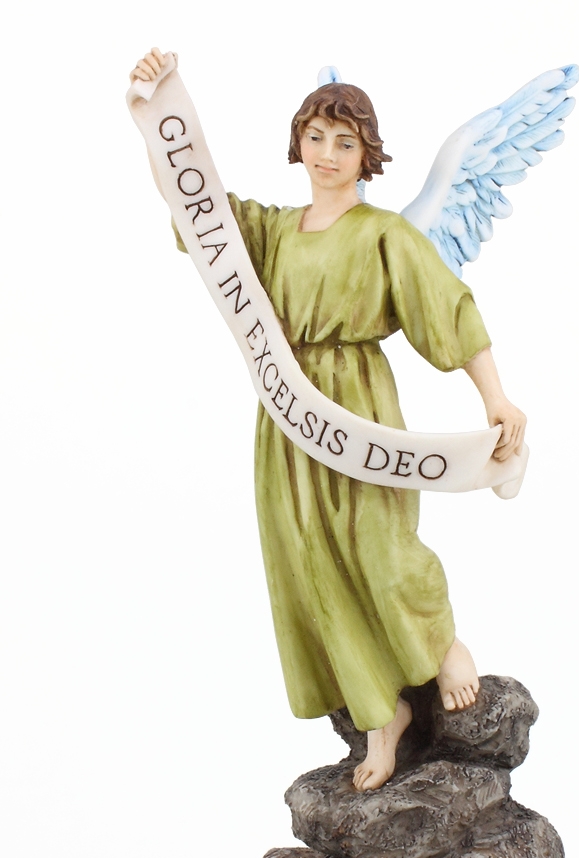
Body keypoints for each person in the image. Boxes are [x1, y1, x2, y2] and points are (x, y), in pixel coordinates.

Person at [133, 49, 527, 790]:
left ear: (366, 153)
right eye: (315, 137)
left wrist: (496, 399)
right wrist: (153, 113)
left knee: (381, 544)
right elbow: (195, 205)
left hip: (356, 408)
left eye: (345, 142)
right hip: (287, 420)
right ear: (298, 142)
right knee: (311, 559)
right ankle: (382, 716)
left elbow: (448, 310)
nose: (327, 154)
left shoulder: (385, 235)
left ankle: (443, 648)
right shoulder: (274, 230)